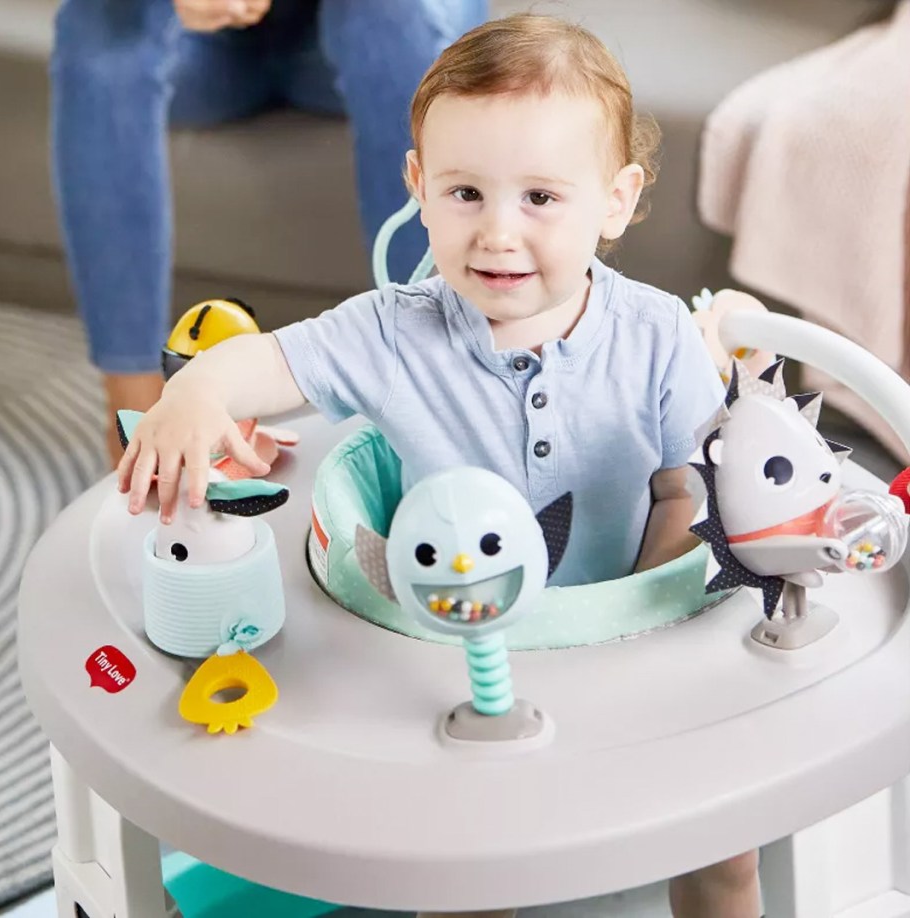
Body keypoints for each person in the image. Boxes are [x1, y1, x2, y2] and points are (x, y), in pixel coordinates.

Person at [117, 13, 760, 918]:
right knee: (457, 883)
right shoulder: (393, 329)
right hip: (447, 660)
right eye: (466, 193)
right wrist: (192, 395)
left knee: (729, 851)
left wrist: (652, 602)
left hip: (624, 648)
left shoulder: (654, 334)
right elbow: (263, 361)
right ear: (418, 184)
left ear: (614, 200)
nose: (498, 233)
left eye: (541, 198)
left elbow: (694, 487)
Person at [50, 0, 487, 466]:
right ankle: (137, 421)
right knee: (99, 20)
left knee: (384, 14)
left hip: (369, 30)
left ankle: (439, 396)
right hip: (210, 50)